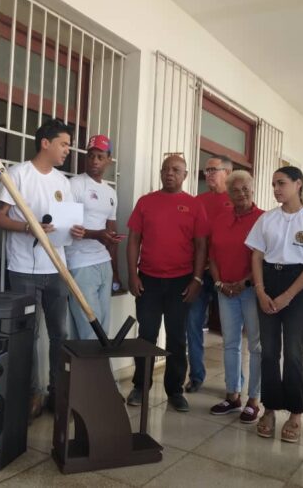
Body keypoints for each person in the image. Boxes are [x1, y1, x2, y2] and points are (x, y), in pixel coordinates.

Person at [0, 119, 85, 418]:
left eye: (68, 145)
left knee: (60, 332)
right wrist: (27, 227)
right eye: (64, 144)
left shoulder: (63, 182)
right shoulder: (17, 174)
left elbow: (66, 222)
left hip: (56, 266)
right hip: (23, 269)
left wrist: (76, 231)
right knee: (28, 335)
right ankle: (31, 394)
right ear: (46, 143)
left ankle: (58, 393)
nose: (67, 150)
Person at [245, 166, 303, 442]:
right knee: (269, 351)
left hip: (297, 285)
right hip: (268, 281)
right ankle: (270, 409)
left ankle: (296, 413)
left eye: (281, 183)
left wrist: (289, 295)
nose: (276, 189)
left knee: (294, 351)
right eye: (273, 184)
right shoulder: (267, 219)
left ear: (298, 184)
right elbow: (257, 257)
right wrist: (260, 291)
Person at [126, 155, 209, 412]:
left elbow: (201, 246)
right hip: (148, 280)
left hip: (181, 282)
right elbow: (133, 240)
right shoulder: (145, 202)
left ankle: (174, 390)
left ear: (185, 176)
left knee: (177, 338)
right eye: (166, 169)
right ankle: (141, 385)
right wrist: (132, 274)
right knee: (146, 335)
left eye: (176, 170)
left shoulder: (194, 206)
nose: (169, 173)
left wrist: (197, 279)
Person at [207, 170, 264, 422]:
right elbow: (213, 255)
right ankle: (232, 395)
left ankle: (254, 400)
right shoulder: (221, 218)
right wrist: (219, 282)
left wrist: (245, 282)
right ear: (227, 193)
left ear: (252, 190)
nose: (240, 194)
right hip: (225, 289)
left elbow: (265, 257)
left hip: (251, 290)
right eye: (235, 190)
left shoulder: (263, 219)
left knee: (256, 345)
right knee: (230, 343)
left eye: (245, 189)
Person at [65, 134, 122, 339]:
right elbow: (66, 227)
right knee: (89, 329)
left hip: (104, 263)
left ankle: (96, 371)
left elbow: (111, 233)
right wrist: (97, 235)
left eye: (100, 156)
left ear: (109, 160)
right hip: (80, 263)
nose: (95, 161)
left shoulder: (110, 192)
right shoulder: (75, 185)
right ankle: (90, 372)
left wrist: (115, 273)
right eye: (91, 156)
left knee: (103, 326)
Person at [185, 155, 233, 393]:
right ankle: (196, 376)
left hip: (226, 275)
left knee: (231, 329)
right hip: (199, 273)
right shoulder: (197, 201)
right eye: (206, 170)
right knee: (193, 324)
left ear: (228, 172)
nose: (209, 174)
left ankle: (234, 383)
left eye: (214, 169)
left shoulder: (235, 200)